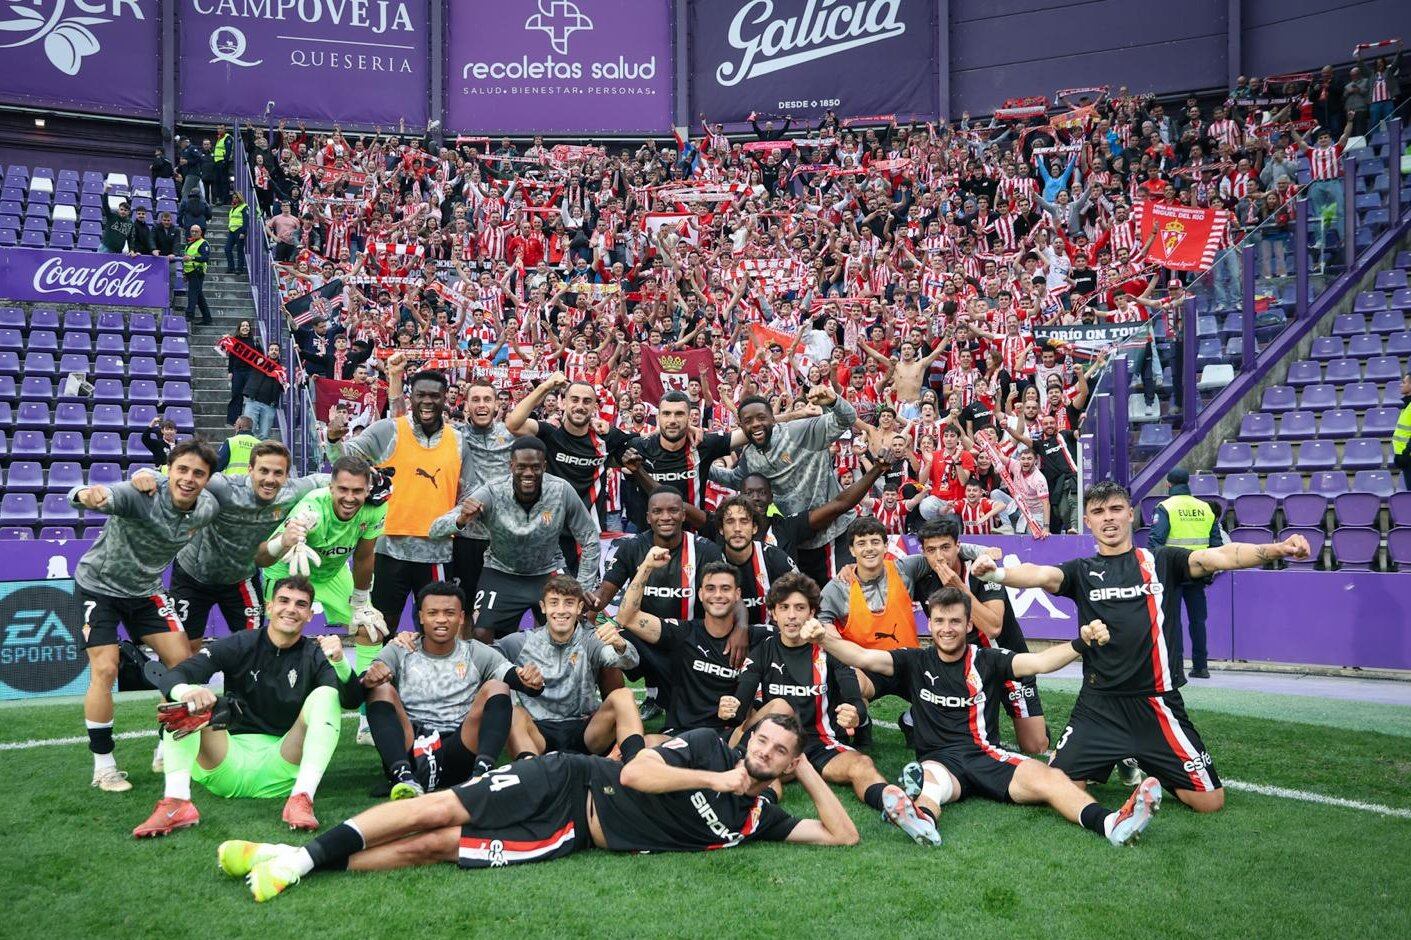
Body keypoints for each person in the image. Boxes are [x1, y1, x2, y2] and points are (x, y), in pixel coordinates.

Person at [220, 711, 857, 902]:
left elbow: (844, 839)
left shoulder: (761, 821)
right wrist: (718, 781)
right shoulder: (710, 746)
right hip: (568, 780)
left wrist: (810, 769)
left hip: (571, 832)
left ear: (786, 764)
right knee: (438, 809)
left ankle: (286, 858)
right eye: (764, 742)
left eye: (780, 752)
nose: (766, 752)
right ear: (748, 740)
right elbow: (634, 771)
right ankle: (299, 862)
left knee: (437, 847)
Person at [970, 481, 1312, 812]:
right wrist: (996, 575)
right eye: (1098, 512)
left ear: (1130, 514)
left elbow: (1220, 555)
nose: (1108, 518)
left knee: (1209, 802)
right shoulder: (1082, 572)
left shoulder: (1162, 561)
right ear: (1087, 521)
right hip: (1099, 705)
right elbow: (1040, 574)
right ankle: (1121, 755)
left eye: (1116, 509)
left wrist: (1277, 549)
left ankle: (1143, 757)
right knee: (1061, 787)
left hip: (1157, 702)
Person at [801, 588, 1161, 846]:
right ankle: (921, 819)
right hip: (940, 762)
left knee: (1051, 779)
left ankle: (1113, 823)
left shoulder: (988, 660)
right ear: (930, 622)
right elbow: (863, 658)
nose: (946, 628)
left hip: (985, 756)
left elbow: (1037, 663)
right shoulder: (915, 661)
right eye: (939, 620)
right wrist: (824, 639)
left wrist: (1079, 643)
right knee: (930, 784)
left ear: (968, 624)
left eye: (955, 621)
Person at [133, 576, 365, 837]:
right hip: (227, 762)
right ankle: (176, 803)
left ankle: (302, 799)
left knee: (325, 695)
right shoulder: (240, 643)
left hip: (283, 766)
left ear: (310, 615)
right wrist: (188, 691)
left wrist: (340, 662)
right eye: (284, 601)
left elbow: (352, 701)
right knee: (183, 697)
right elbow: (179, 673)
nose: (291, 609)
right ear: (269, 606)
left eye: (301, 605)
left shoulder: (314, 654)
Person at [722, 572, 941, 845]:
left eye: (800, 608)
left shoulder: (830, 651)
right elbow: (742, 704)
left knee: (862, 764)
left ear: (812, 613)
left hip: (822, 743)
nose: (792, 616)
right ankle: (747, 809)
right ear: (773, 615)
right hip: (779, 747)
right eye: (784, 608)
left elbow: (855, 698)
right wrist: (731, 708)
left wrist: (854, 712)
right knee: (772, 768)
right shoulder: (763, 651)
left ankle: (898, 808)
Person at [68, 440, 220, 791]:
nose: (189, 478)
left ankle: (166, 747)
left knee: (184, 665)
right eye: (182, 470)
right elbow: (89, 494)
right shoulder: (142, 493)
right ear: (169, 470)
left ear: (207, 479)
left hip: (147, 592)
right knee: (105, 668)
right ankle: (104, 766)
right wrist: (86, 495)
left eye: (198, 473)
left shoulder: (207, 508)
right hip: (99, 587)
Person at [327, 362, 467, 675]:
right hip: (389, 548)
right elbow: (345, 462)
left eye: (435, 396)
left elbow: (469, 493)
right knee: (379, 627)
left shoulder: (459, 441)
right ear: (411, 396)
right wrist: (334, 439)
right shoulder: (390, 430)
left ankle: (439, 688)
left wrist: (455, 519)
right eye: (420, 395)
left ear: (447, 399)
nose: (427, 401)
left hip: (437, 552)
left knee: (438, 628)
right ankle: (378, 690)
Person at [130, 441, 326, 654]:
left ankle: (237, 688)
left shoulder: (292, 492)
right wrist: (144, 473)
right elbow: (185, 478)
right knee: (185, 651)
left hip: (241, 580)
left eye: (278, 473)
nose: (270, 479)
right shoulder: (224, 487)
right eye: (263, 471)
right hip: (193, 577)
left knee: (252, 648)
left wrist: (369, 480)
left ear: (287, 476)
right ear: (250, 470)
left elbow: (324, 481)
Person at [361, 582, 548, 799]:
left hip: (460, 750)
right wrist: (369, 679)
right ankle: (402, 775)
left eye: (449, 613)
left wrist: (532, 681)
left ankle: (481, 775)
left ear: (460, 618)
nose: (441, 619)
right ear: (421, 617)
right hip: (412, 749)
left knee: (497, 686)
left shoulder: (475, 651)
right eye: (433, 613)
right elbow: (355, 692)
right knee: (379, 688)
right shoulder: (400, 648)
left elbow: (516, 678)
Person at [429, 437, 601, 642]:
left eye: (535, 467)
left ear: (544, 467)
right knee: (481, 633)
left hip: (548, 571)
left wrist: (583, 586)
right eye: (521, 467)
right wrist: (461, 518)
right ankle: (496, 673)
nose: (528, 473)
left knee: (567, 632)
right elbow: (434, 530)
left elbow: (590, 538)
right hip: (501, 572)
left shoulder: (561, 491)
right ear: (511, 466)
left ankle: (555, 673)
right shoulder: (492, 492)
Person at [592, 488, 731, 719]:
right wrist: (586, 605)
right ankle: (616, 716)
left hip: (690, 637)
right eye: (657, 511)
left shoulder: (706, 549)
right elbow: (604, 593)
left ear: (684, 515)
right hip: (646, 635)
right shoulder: (631, 546)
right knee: (604, 650)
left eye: (673, 510)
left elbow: (726, 596)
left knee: (685, 710)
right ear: (648, 517)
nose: (665, 517)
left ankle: (660, 696)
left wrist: (741, 627)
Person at [617, 553, 773, 739]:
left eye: (725, 588)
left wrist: (743, 627)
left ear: (737, 594)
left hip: (729, 740)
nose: (718, 595)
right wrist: (646, 566)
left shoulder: (758, 637)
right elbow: (627, 617)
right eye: (710, 588)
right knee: (647, 746)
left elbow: (800, 633)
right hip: (681, 735)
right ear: (700, 594)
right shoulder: (683, 633)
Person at [719, 389, 866, 583]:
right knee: (808, 602)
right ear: (741, 426)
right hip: (797, 541)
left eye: (761, 417)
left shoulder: (800, 431)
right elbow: (735, 480)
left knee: (842, 599)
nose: (755, 424)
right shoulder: (751, 456)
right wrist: (697, 463)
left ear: (774, 419)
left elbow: (846, 420)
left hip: (833, 532)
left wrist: (834, 401)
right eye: (748, 421)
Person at [254, 456, 387, 658]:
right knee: (282, 635)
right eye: (343, 489)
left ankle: (364, 686)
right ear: (331, 487)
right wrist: (286, 540)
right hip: (290, 571)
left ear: (367, 490)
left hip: (332, 573)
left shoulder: (376, 508)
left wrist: (360, 602)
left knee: (370, 629)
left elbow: (364, 557)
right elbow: (261, 560)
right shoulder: (311, 507)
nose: (350, 498)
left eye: (357, 491)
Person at [497, 575, 642, 759]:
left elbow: (630, 661)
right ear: (543, 607)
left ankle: (637, 761)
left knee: (623, 695)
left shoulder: (590, 639)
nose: (561, 610)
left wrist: (621, 645)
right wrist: (514, 673)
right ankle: (530, 773)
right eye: (554, 603)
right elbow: (485, 661)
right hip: (538, 732)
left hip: (586, 731)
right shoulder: (520, 642)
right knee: (515, 713)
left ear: (579, 607)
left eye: (569, 603)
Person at [1148, 467, 1227, 679]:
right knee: (1198, 621)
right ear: (1188, 483)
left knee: (1172, 621)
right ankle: (1201, 666)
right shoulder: (1205, 508)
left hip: (1173, 573)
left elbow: (1156, 543)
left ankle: (1175, 668)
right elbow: (1216, 545)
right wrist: (1208, 571)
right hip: (1199, 571)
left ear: (1168, 484)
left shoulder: (1164, 507)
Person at [713, 495, 796, 624]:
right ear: (721, 529)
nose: (737, 529)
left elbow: (803, 598)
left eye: (744, 521)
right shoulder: (711, 560)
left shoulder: (775, 558)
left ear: (754, 528)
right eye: (730, 522)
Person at [242, 341, 284, 439]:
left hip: (269, 405)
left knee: (264, 436)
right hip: (253, 401)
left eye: (276, 350)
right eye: (271, 349)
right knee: (246, 432)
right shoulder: (260, 362)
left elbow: (285, 387)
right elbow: (251, 350)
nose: (274, 352)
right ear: (268, 352)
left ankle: (260, 455)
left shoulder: (282, 370)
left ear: (279, 353)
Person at [223, 320, 259, 426]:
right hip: (237, 371)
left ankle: (251, 421)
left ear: (249, 328)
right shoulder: (235, 341)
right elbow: (231, 357)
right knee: (236, 395)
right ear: (239, 328)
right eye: (243, 326)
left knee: (251, 396)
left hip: (250, 372)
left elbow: (260, 357)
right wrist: (230, 371)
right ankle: (233, 420)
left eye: (247, 326)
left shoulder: (254, 341)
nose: (245, 327)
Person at [184, 224, 213, 326]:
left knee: (192, 294)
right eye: (192, 231)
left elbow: (205, 258)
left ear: (201, 232)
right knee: (199, 296)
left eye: (196, 231)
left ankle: (189, 315)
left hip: (197, 272)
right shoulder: (190, 242)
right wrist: (185, 273)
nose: (194, 233)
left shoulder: (203, 243)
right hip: (190, 272)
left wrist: (192, 258)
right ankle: (207, 318)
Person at [1392, 372, 1411, 491]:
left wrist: (1405, 453)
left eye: (1404, 382)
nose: (1401, 385)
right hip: (1405, 458)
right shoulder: (1407, 406)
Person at [226, 192, 249, 275]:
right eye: (233, 197)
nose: (234, 199)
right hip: (232, 230)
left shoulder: (244, 207)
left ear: (240, 198)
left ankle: (240, 268)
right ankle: (231, 267)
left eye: (236, 197)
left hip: (239, 230)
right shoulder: (233, 208)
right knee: (227, 249)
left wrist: (243, 232)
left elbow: (246, 221)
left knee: (239, 250)